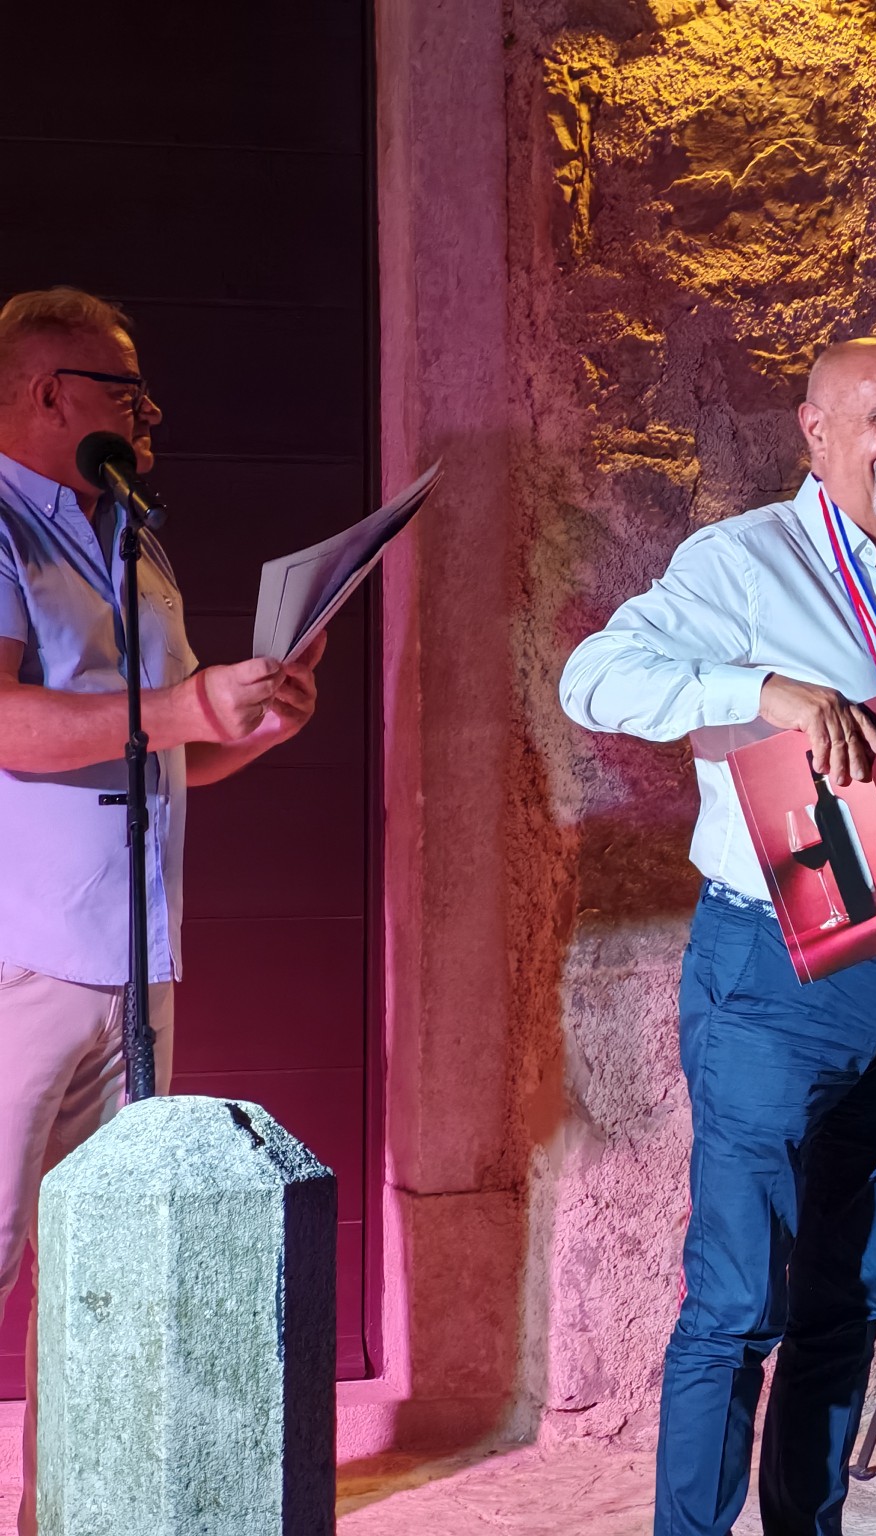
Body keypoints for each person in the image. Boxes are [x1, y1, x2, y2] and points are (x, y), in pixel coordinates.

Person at [559, 338, 876, 1536]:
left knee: (848, 1298)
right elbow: (592, 679)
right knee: (737, 1303)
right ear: (814, 430)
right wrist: (760, 690)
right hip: (774, 973)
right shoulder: (741, 563)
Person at [0, 286, 325, 1534]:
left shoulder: (131, 534)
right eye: (124, 391)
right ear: (48, 393)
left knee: (103, 1271)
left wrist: (254, 723)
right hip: (20, 961)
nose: (150, 415)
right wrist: (187, 711)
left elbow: (163, 746)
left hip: (135, 964)